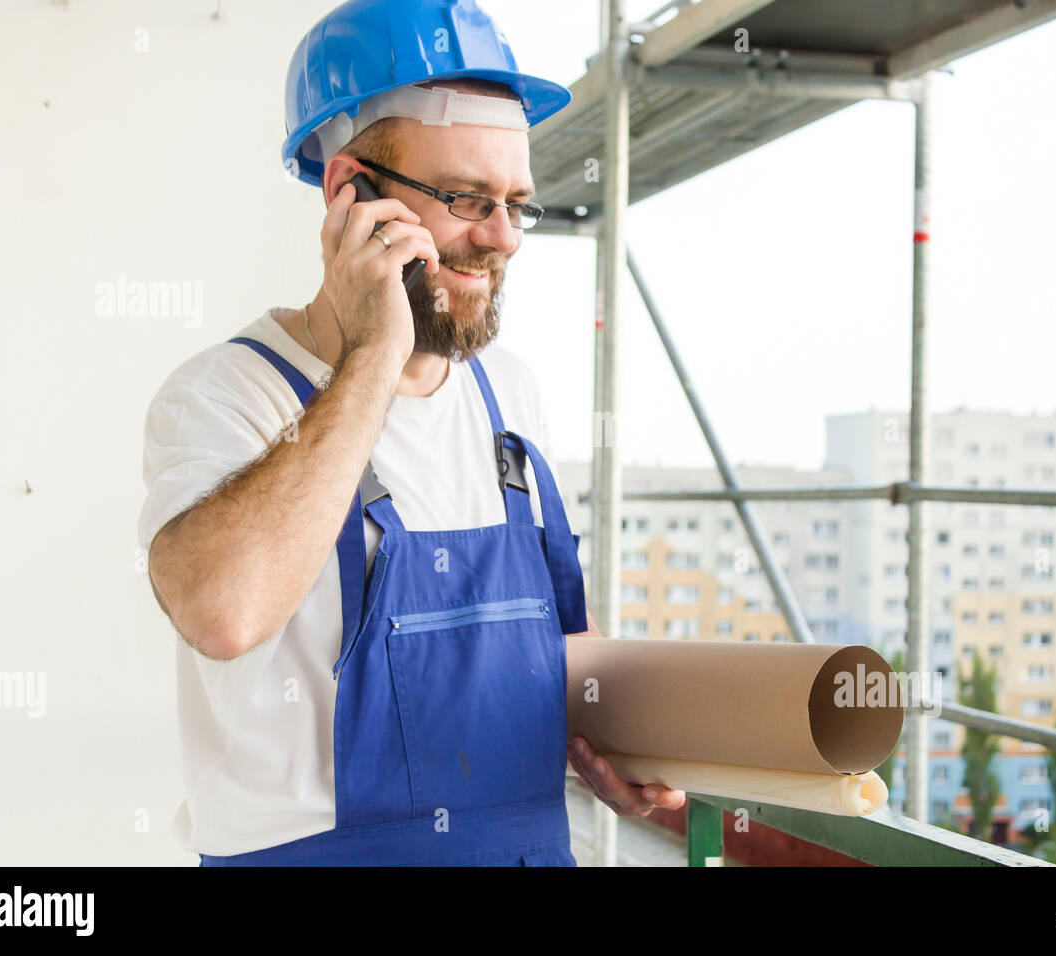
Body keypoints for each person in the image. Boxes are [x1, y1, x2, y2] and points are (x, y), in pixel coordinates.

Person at [138, 0, 682, 866]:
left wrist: (617, 747)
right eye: (468, 198)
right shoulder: (226, 394)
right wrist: (373, 357)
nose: (502, 237)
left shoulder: (510, 395)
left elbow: (541, 647)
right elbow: (223, 613)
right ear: (350, 191)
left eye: (516, 205)